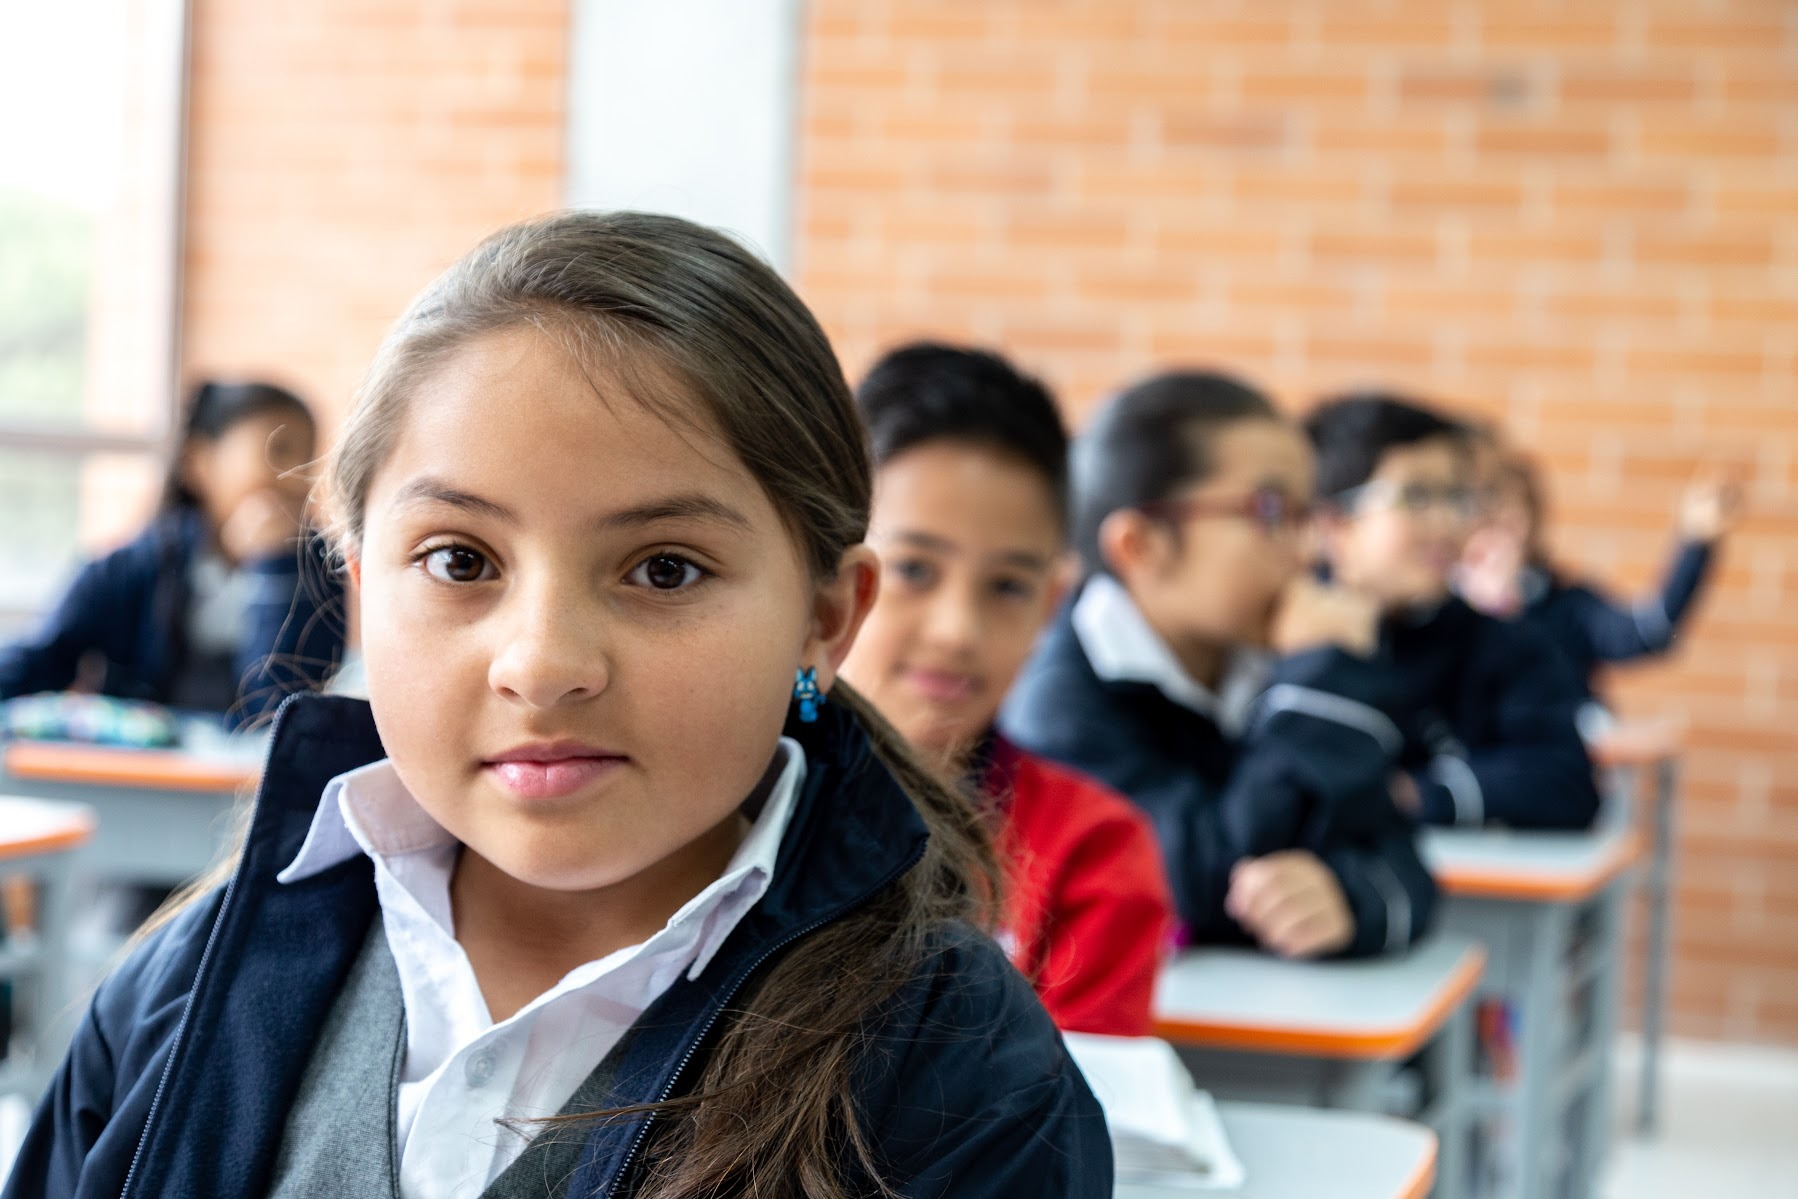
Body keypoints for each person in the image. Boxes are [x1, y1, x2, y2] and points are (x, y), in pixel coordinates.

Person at [5, 213, 1110, 1199]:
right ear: (354, 585)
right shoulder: (188, 983)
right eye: (458, 558)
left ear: (825, 614)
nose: (541, 662)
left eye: (665, 568)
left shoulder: (962, 1080)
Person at [1005, 371, 1435, 960]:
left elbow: (1400, 854)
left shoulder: (1261, 657)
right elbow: (1194, 886)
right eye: (1270, 510)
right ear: (1141, 546)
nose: (1309, 551)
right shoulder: (1059, 706)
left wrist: (1351, 900)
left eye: (1308, 513)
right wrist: (1318, 686)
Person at [843, 341, 1174, 1036]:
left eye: (1007, 586)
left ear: (1052, 601)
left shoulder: (1094, 854)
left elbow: (1058, 1128)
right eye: (913, 569)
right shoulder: (719, 810)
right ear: (830, 574)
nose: (957, 630)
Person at [1306, 393, 1600, 830]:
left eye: (1455, 497)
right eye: (1417, 496)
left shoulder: (1508, 647)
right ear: (1335, 524)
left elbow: (1566, 783)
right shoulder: (1280, 645)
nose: (1446, 522)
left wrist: (1412, 796)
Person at [0, 380, 344, 728]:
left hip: (248, 777)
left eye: (307, 459)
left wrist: (277, 566)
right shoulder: (135, 565)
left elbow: (276, 713)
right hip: (140, 770)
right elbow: (41, 660)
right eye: (279, 452)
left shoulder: (320, 574)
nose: (297, 479)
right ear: (201, 463)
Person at [1459, 451, 1738, 723]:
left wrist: (1695, 542)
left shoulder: (1566, 604)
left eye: (1511, 519)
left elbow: (1647, 631)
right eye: (1485, 517)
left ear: (1532, 525)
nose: (1496, 535)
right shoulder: (1439, 614)